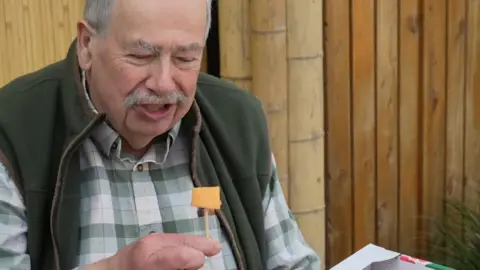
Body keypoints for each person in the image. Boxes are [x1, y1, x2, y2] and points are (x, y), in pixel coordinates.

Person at [0, 0, 321, 269]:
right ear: (86, 46)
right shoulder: (14, 129)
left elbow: (291, 263)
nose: (164, 83)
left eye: (185, 58)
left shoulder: (236, 120)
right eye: (141, 56)